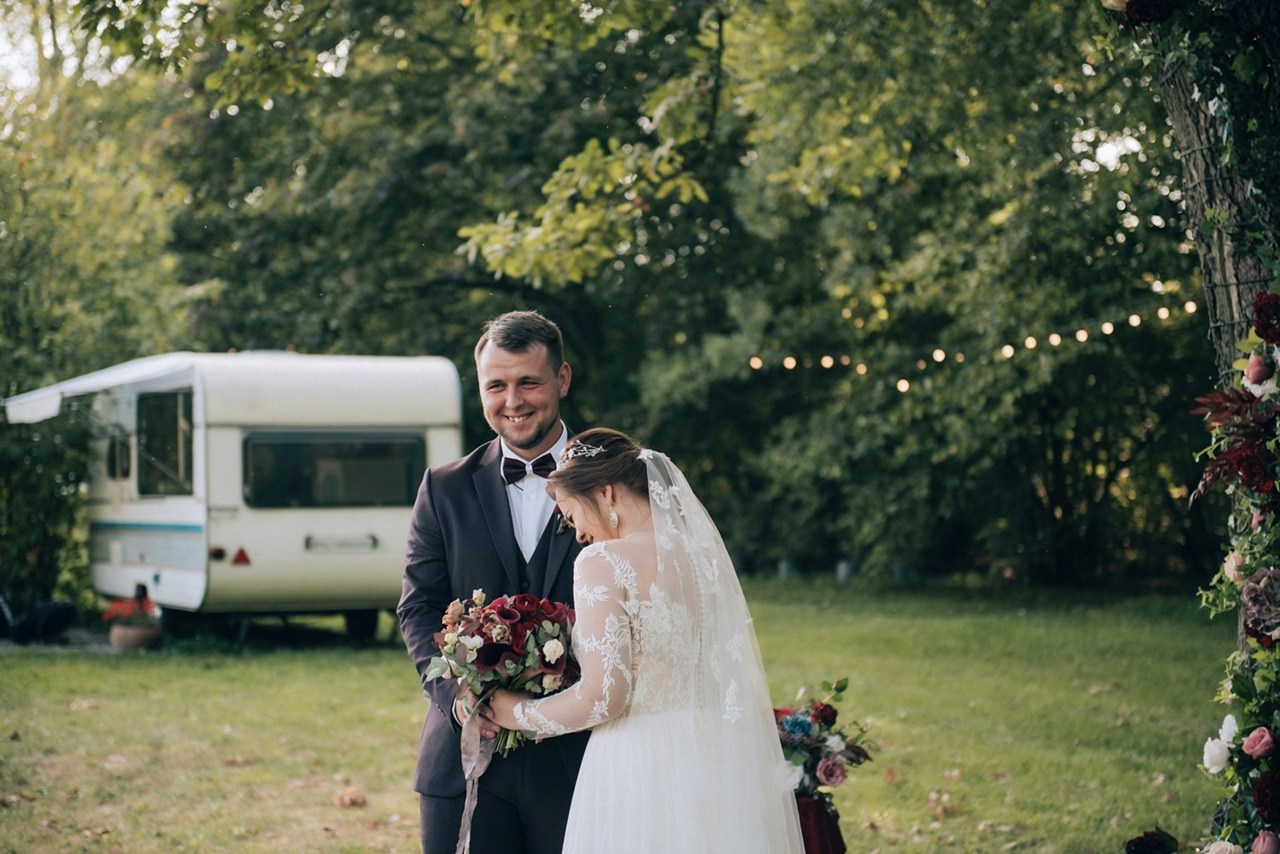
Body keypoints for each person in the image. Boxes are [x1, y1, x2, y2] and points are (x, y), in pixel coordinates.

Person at [483, 428, 806, 854]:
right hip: (717, 757)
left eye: (571, 513)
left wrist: (517, 713)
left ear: (605, 492)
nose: (576, 532)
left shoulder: (603, 561)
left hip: (641, 765)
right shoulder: (704, 558)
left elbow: (605, 697)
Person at [398, 310, 588, 854]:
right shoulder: (443, 488)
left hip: (583, 759)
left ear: (563, 379)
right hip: (464, 761)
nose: (513, 401)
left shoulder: (615, 481)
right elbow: (419, 606)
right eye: (496, 385)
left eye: (529, 381)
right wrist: (460, 699)